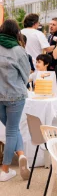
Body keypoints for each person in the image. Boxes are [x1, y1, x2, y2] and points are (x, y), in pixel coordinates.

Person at [0, 19, 31, 182]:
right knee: (12, 130)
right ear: (16, 33)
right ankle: (4, 170)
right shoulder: (19, 51)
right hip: (16, 96)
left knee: (12, 128)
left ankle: (21, 154)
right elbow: (26, 75)